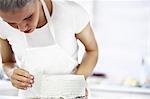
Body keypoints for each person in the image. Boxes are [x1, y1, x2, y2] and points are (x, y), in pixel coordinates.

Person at [0, 0, 98, 98]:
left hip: (70, 95)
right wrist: (12, 73)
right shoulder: (1, 25)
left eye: (28, 17)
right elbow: (7, 62)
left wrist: (75, 84)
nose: (22, 28)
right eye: (11, 22)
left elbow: (92, 51)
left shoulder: (71, 12)